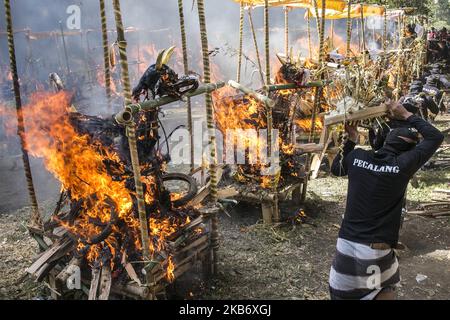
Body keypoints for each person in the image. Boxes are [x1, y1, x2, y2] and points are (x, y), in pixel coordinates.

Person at [328, 101, 444, 300]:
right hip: (373, 257)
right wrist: (406, 114)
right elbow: (436, 136)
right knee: (384, 289)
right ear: (409, 151)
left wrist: (352, 139)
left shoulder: (358, 157)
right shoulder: (402, 166)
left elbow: (337, 168)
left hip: (343, 256)